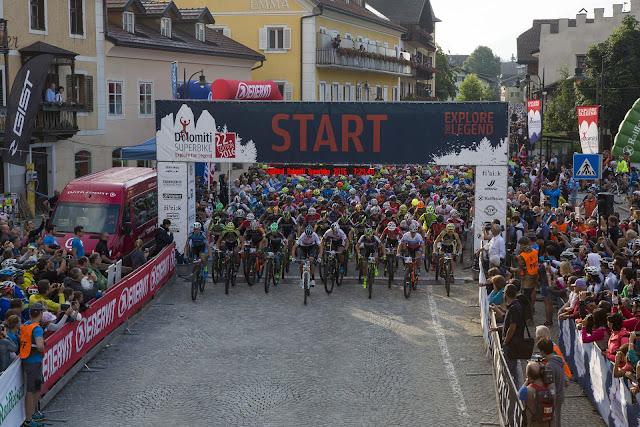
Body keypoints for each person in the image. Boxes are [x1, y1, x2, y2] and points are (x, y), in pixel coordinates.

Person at [491, 283, 524, 383]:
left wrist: (505, 341)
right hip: (513, 342)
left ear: (506, 294)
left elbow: (512, 327)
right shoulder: (513, 306)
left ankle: (514, 393)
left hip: (512, 343)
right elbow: (509, 324)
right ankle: (517, 391)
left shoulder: (514, 307)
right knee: (513, 371)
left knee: (509, 370)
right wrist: (499, 328)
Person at [20, 302, 46, 427]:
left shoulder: (25, 324)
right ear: (40, 313)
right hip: (34, 362)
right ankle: (29, 419)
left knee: (39, 384)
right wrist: (42, 345)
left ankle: (33, 413)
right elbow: (40, 346)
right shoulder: (37, 328)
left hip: (27, 360)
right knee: (32, 391)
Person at [537, 337, 566, 426]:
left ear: (542, 351)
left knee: (554, 419)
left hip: (556, 396)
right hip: (561, 393)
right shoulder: (558, 360)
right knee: (557, 417)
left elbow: (550, 383)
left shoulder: (549, 366)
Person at [518, 361, 555, 427]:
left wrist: (527, 380)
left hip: (532, 423)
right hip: (549, 424)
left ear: (527, 374)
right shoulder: (551, 386)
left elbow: (519, 395)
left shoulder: (526, 390)